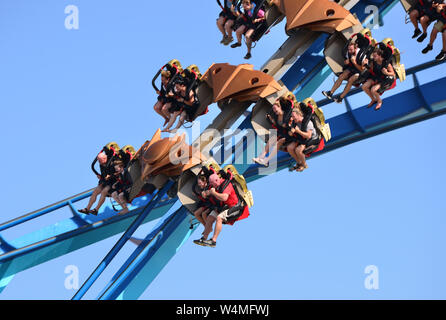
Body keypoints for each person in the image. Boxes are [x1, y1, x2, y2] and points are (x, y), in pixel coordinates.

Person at [193, 172, 240, 248]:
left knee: (219, 218)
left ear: (217, 180)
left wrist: (213, 193)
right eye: (211, 185)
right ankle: (204, 238)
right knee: (210, 218)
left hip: (234, 207)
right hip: (224, 206)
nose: (213, 186)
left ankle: (213, 241)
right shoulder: (215, 184)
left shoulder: (226, 184)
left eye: (213, 184)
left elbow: (224, 197)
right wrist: (206, 193)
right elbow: (211, 191)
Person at [252, 98, 293, 167]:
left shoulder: (287, 113)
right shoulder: (276, 117)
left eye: (275, 108)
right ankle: (261, 157)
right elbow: (277, 126)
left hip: (290, 135)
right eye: (273, 109)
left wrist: (281, 99)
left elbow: (290, 104)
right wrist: (271, 120)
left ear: (280, 107)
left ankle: (266, 160)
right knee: (270, 141)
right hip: (282, 134)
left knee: (279, 142)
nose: (274, 110)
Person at [78, 150, 117, 215]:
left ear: (105, 158)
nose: (99, 162)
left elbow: (118, 173)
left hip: (113, 181)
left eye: (100, 160)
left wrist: (110, 176)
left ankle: (96, 209)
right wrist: (101, 177)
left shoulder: (112, 162)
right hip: (105, 181)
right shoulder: (102, 164)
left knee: (104, 191)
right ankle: (87, 208)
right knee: (95, 192)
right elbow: (104, 174)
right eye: (98, 161)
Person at [286, 107, 319, 172]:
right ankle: (299, 163)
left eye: (293, 116)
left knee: (298, 150)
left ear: (299, 115)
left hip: (311, 139)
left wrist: (298, 131)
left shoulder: (308, 123)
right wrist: (291, 132)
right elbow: (291, 134)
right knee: (289, 148)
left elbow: (308, 136)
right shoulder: (294, 122)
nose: (292, 118)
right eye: (291, 116)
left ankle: (304, 165)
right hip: (301, 138)